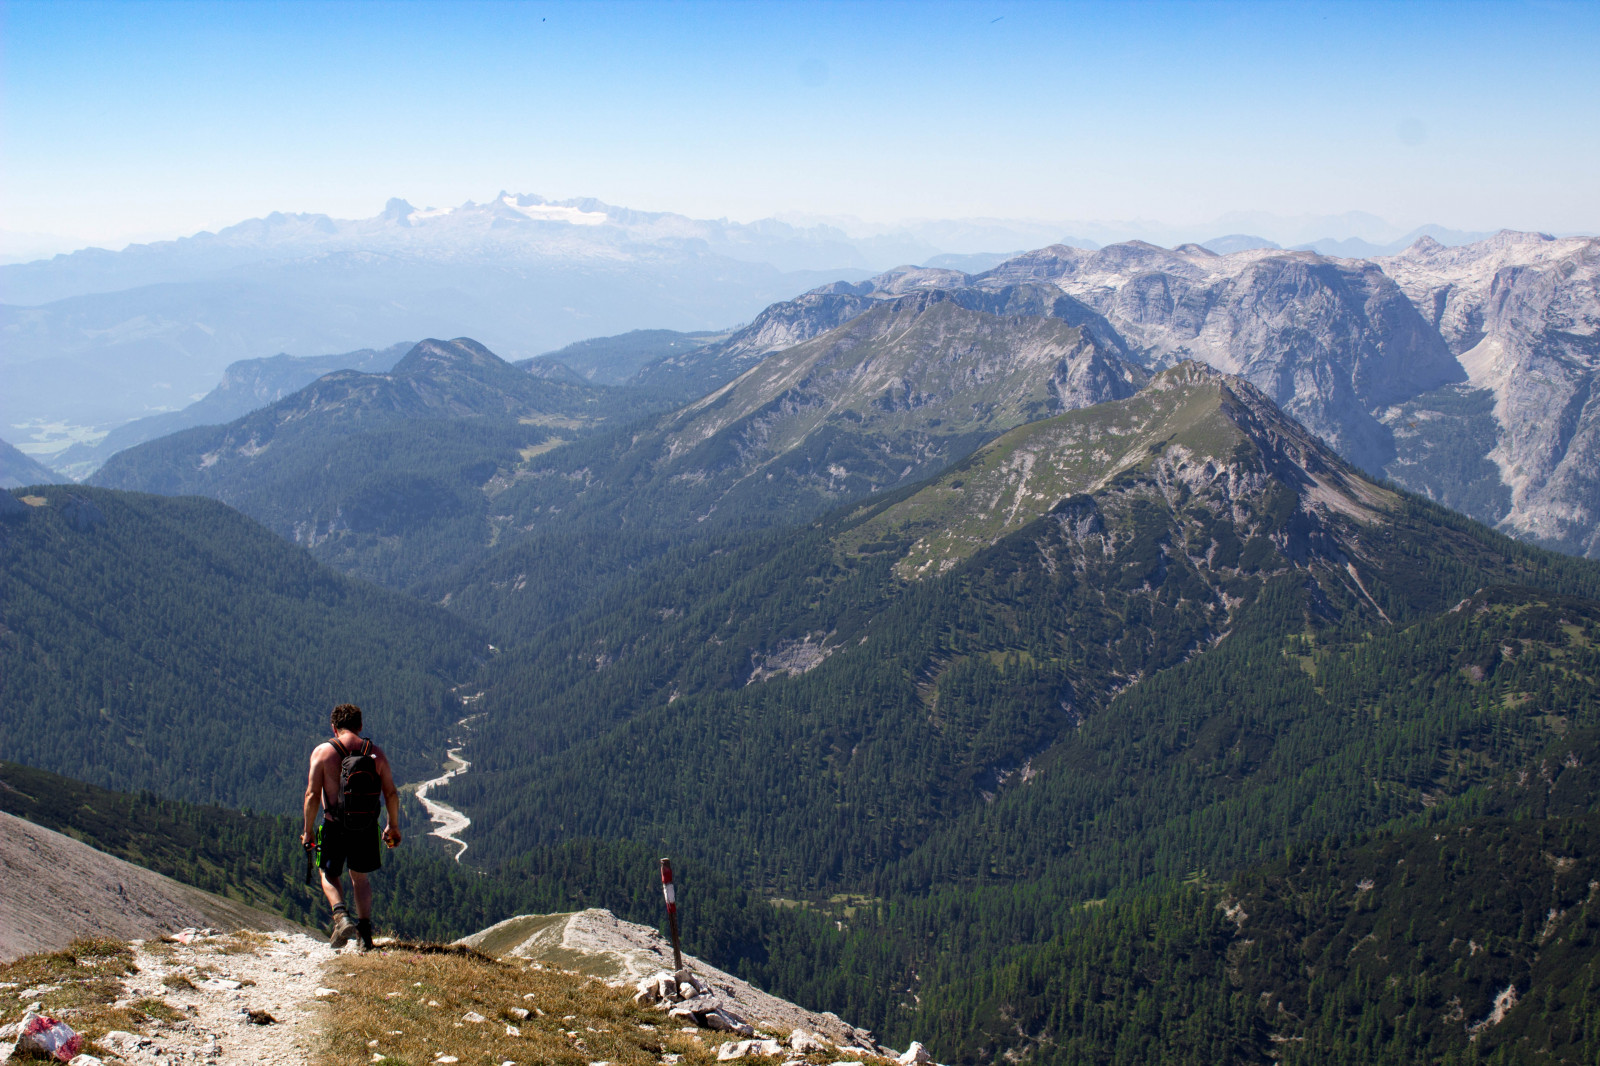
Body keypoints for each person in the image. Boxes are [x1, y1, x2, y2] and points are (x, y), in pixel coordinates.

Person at [302, 703, 401, 950]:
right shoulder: (375, 753)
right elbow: (390, 793)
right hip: (366, 826)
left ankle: (341, 917)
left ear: (333, 727)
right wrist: (393, 825)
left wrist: (308, 830)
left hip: (334, 825)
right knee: (360, 878)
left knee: (328, 872)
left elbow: (312, 795)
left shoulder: (323, 753)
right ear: (360, 725)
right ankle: (365, 935)